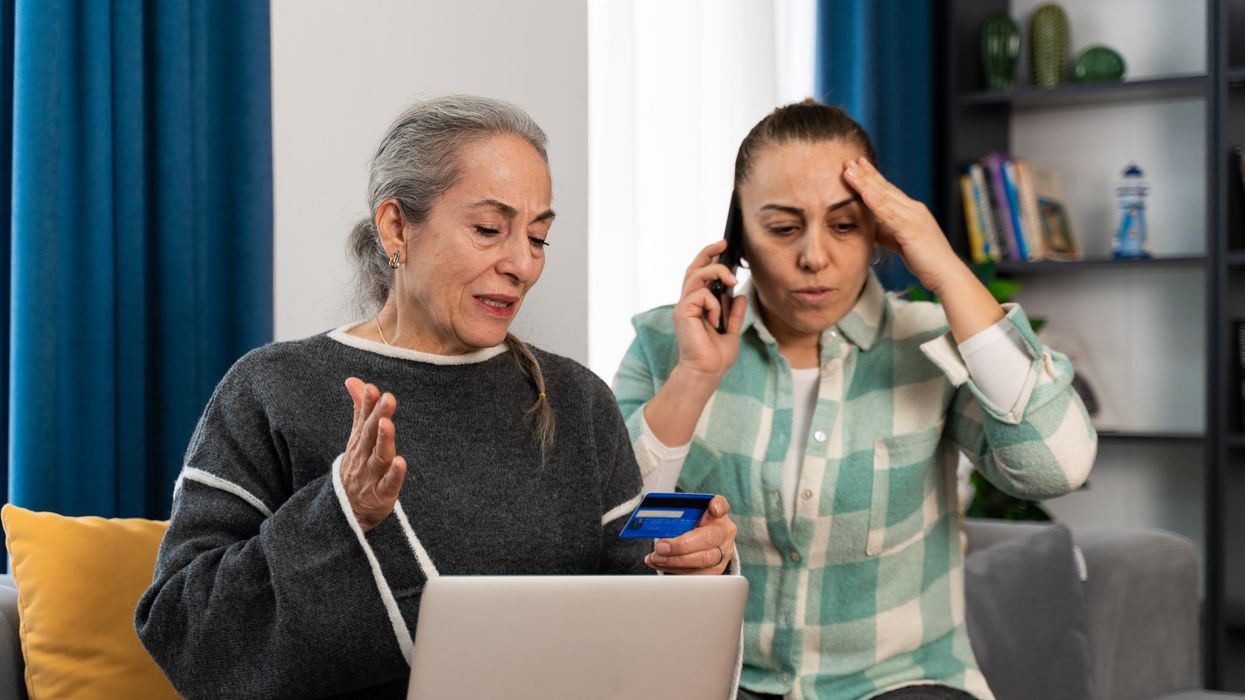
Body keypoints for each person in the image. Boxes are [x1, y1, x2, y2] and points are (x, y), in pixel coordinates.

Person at [135, 95, 739, 699]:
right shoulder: (272, 388)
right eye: (489, 230)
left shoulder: (579, 402)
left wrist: (694, 569)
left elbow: (637, 609)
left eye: (538, 237)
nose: (523, 264)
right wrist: (340, 513)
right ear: (396, 227)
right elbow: (184, 633)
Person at [613, 100, 1096, 700]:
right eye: (783, 228)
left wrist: (945, 270)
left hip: (903, 682)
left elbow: (1058, 466)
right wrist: (693, 378)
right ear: (738, 240)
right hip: (725, 680)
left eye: (843, 226)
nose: (814, 257)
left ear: (877, 235)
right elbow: (610, 530)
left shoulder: (933, 344)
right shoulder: (667, 344)